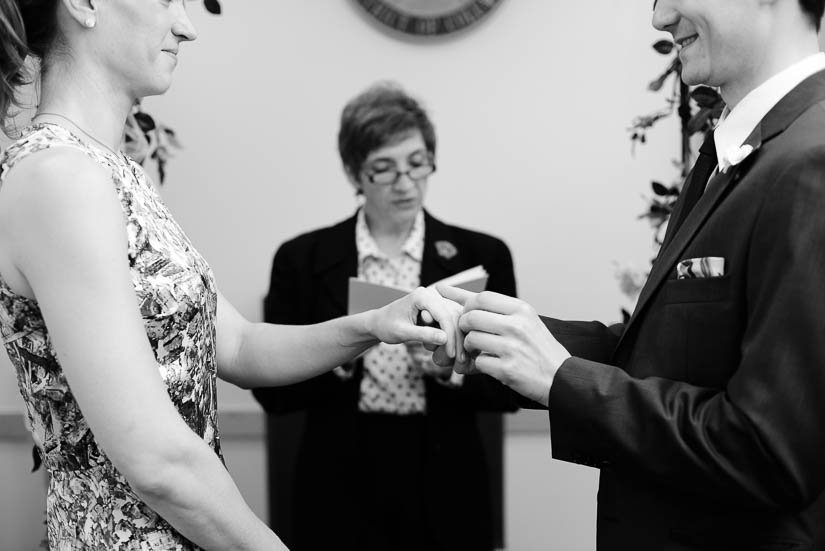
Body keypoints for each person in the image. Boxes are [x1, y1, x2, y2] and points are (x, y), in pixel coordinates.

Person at [0, 3, 463, 550]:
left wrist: (375, 323)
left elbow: (240, 346)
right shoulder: (60, 178)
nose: (186, 26)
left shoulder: (115, 171)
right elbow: (155, 460)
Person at [439, 0, 825, 548]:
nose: (660, 17)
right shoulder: (735, 154)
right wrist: (498, 335)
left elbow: (768, 451)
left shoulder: (812, 160)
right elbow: (673, 357)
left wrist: (561, 379)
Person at [252, 82, 520, 551]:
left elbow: (510, 385)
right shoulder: (303, 258)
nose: (405, 183)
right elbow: (273, 395)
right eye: (384, 168)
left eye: (417, 163)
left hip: (445, 468)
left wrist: (449, 373)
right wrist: (342, 353)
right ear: (356, 172)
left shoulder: (483, 255)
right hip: (339, 472)